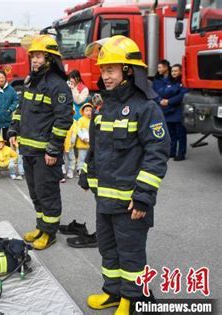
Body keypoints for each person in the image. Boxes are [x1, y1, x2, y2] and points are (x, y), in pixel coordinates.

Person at [79, 35, 170, 313]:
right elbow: (95, 146)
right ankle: (114, 292)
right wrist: (87, 172)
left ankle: (134, 300)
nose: (104, 75)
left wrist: (144, 196)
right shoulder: (103, 106)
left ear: (128, 71)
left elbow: (157, 153)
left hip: (131, 202)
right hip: (105, 199)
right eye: (103, 69)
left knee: (130, 254)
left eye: (110, 69)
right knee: (108, 249)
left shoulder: (146, 108)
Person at [8, 35, 74, 250]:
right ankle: (41, 225)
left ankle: (50, 233)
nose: (35, 61)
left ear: (50, 59)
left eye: (39, 56)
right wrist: (12, 130)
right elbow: (21, 110)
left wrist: (54, 149)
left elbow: (63, 119)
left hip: (45, 153)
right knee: (36, 193)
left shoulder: (58, 86)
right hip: (28, 150)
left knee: (48, 193)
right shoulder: (29, 82)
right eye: (33, 56)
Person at [158, 64, 188, 161]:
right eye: (172, 71)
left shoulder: (184, 82)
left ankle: (181, 154)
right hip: (168, 111)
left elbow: (182, 95)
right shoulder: (168, 81)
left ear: (180, 72)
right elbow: (161, 92)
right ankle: (172, 152)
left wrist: (168, 101)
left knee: (181, 134)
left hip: (179, 111)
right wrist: (164, 99)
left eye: (176, 71)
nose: (174, 73)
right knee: (171, 134)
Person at [75, 103, 93, 175]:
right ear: (83, 112)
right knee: (82, 157)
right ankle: (80, 168)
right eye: (87, 110)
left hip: (90, 143)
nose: (89, 112)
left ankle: (87, 169)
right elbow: (78, 130)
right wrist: (83, 138)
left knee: (88, 157)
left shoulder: (92, 120)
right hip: (82, 143)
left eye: (90, 110)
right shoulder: (81, 120)